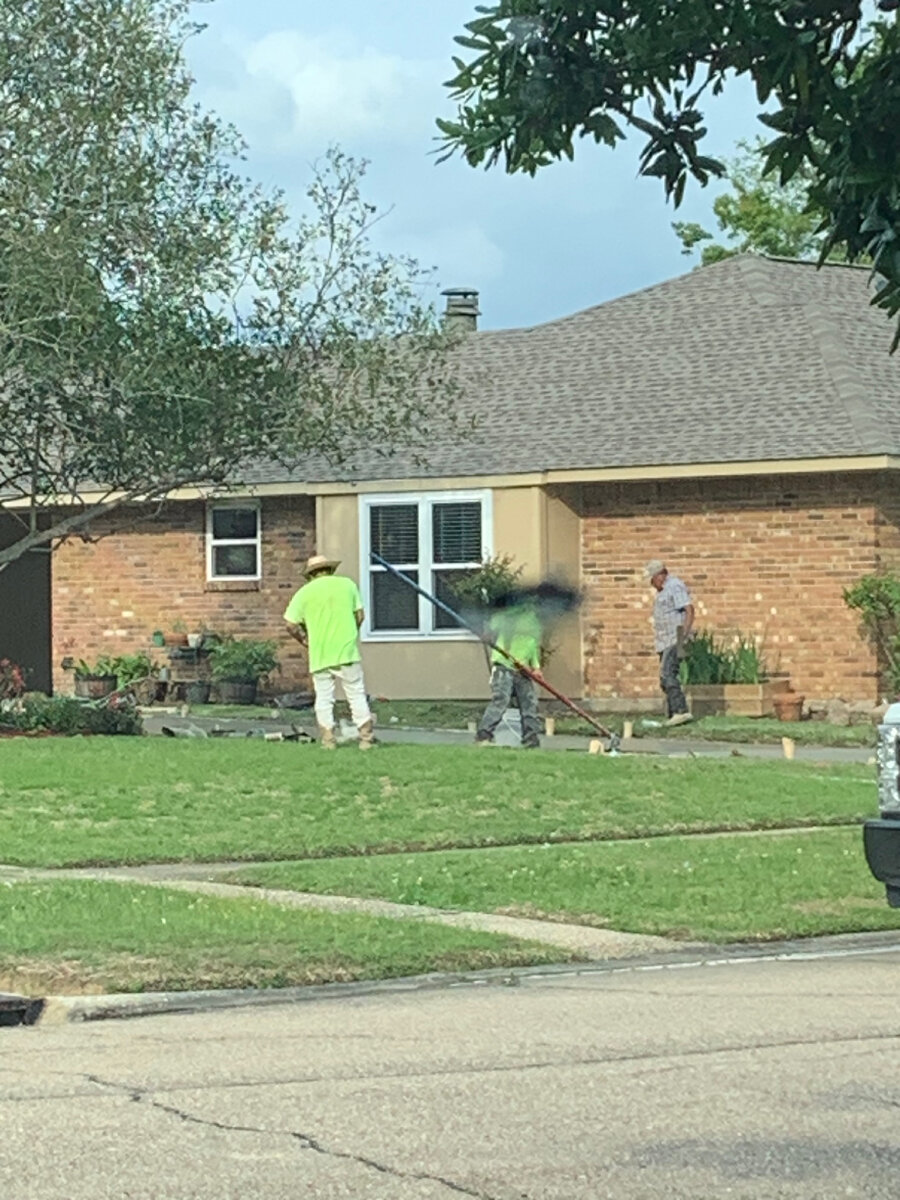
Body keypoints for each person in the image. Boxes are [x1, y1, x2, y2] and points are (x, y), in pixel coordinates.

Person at [283, 554, 374, 750]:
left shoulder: (304, 593)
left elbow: (290, 625)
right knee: (356, 694)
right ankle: (365, 739)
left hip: (320, 653)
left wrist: (303, 640)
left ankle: (328, 740)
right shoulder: (347, 585)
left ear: (310, 574)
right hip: (347, 651)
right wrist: (351, 632)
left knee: (324, 698)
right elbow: (360, 615)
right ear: (329, 569)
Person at [475, 598, 543, 748]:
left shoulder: (536, 624)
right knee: (501, 700)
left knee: (529, 704)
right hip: (504, 666)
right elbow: (496, 632)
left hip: (523, 670)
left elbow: (533, 647)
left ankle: (531, 739)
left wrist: (536, 667)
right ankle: (484, 734)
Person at [644, 559, 694, 726]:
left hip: (676, 637)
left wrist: (683, 636)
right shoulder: (663, 590)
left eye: (652, 579)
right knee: (665, 677)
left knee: (667, 673)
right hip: (664, 640)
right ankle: (673, 714)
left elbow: (689, 610)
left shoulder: (674, 586)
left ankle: (681, 711)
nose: (651, 584)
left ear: (660, 575)